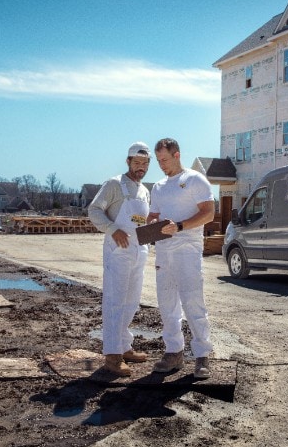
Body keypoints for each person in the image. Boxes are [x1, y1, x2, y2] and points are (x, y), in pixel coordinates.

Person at [146, 138, 215, 379]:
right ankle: (174, 351)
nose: (161, 165)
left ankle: (202, 355)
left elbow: (209, 213)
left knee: (192, 301)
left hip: (187, 249)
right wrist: (153, 223)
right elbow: (152, 215)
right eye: (158, 161)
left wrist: (181, 226)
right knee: (167, 302)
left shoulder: (195, 180)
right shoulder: (159, 186)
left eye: (164, 159)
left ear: (177, 155)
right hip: (164, 250)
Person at [87, 142, 152, 376]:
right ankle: (112, 356)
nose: (141, 168)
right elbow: (94, 210)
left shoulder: (144, 190)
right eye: (137, 163)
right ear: (128, 161)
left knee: (131, 301)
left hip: (138, 251)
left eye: (145, 164)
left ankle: (124, 346)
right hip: (118, 251)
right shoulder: (114, 184)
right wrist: (113, 228)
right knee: (115, 301)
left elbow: (139, 221)